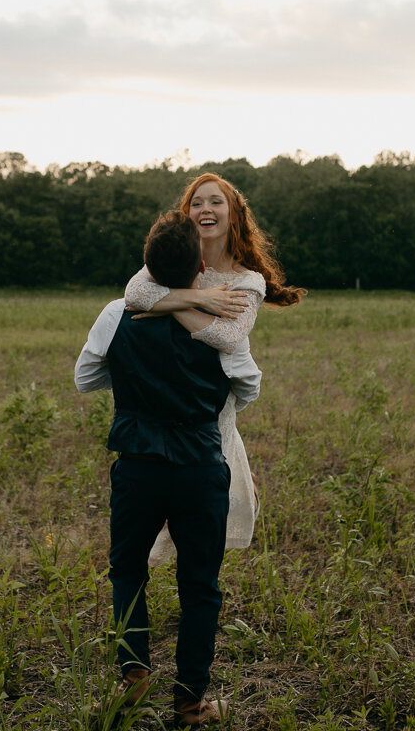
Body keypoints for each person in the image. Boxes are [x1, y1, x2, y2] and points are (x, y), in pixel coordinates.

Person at [75, 210, 262, 726]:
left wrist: (137, 381)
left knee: (128, 570)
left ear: (146, 266)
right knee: (200, 584)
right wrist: (205, 409)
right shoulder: (221, 324)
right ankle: (189, 703)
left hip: (137, 465)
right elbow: (247, 385)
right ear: (201, 269)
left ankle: (133, 680)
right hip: (201, 465)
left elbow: (86, 377)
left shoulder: (117, 313)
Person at [124, 173, 304, 564]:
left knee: (202, 531)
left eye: (215, 201)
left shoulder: (247, 281)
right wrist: (200, 297)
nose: (205, 208)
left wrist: (171, 304)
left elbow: (227, 337)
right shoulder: (170, 262)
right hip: (159, 407)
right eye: (197, 202)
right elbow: (134, 294)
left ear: (234, 214)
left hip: (212, 417)